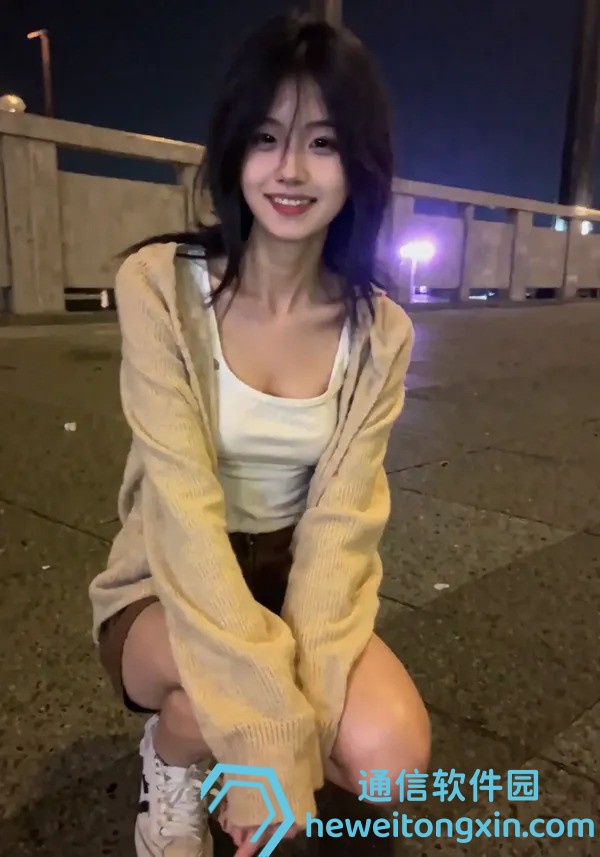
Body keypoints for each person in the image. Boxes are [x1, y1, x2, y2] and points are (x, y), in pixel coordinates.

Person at [88, 11, 430, 857]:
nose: (289, 170)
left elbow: (342, 526)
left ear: (360, 163)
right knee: (223, 703)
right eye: (267, 137)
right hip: (166, 574)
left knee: (391, 762)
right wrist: (270, 733)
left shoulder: (380, 330)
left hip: (295, 571)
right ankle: (172, 756)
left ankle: (218, 737)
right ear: (234, 148)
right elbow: (180, 505)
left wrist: (287, 721)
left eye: (323, 142)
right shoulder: (158, 285)